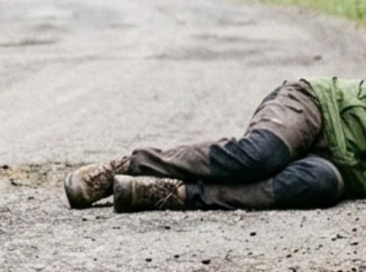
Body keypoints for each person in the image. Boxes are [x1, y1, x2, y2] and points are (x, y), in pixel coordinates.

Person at [65, 78, 366, 212]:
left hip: (335, 166)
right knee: (263, 156)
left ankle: (172, 194)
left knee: (321, 184)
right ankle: (130, 165)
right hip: (314, 106)